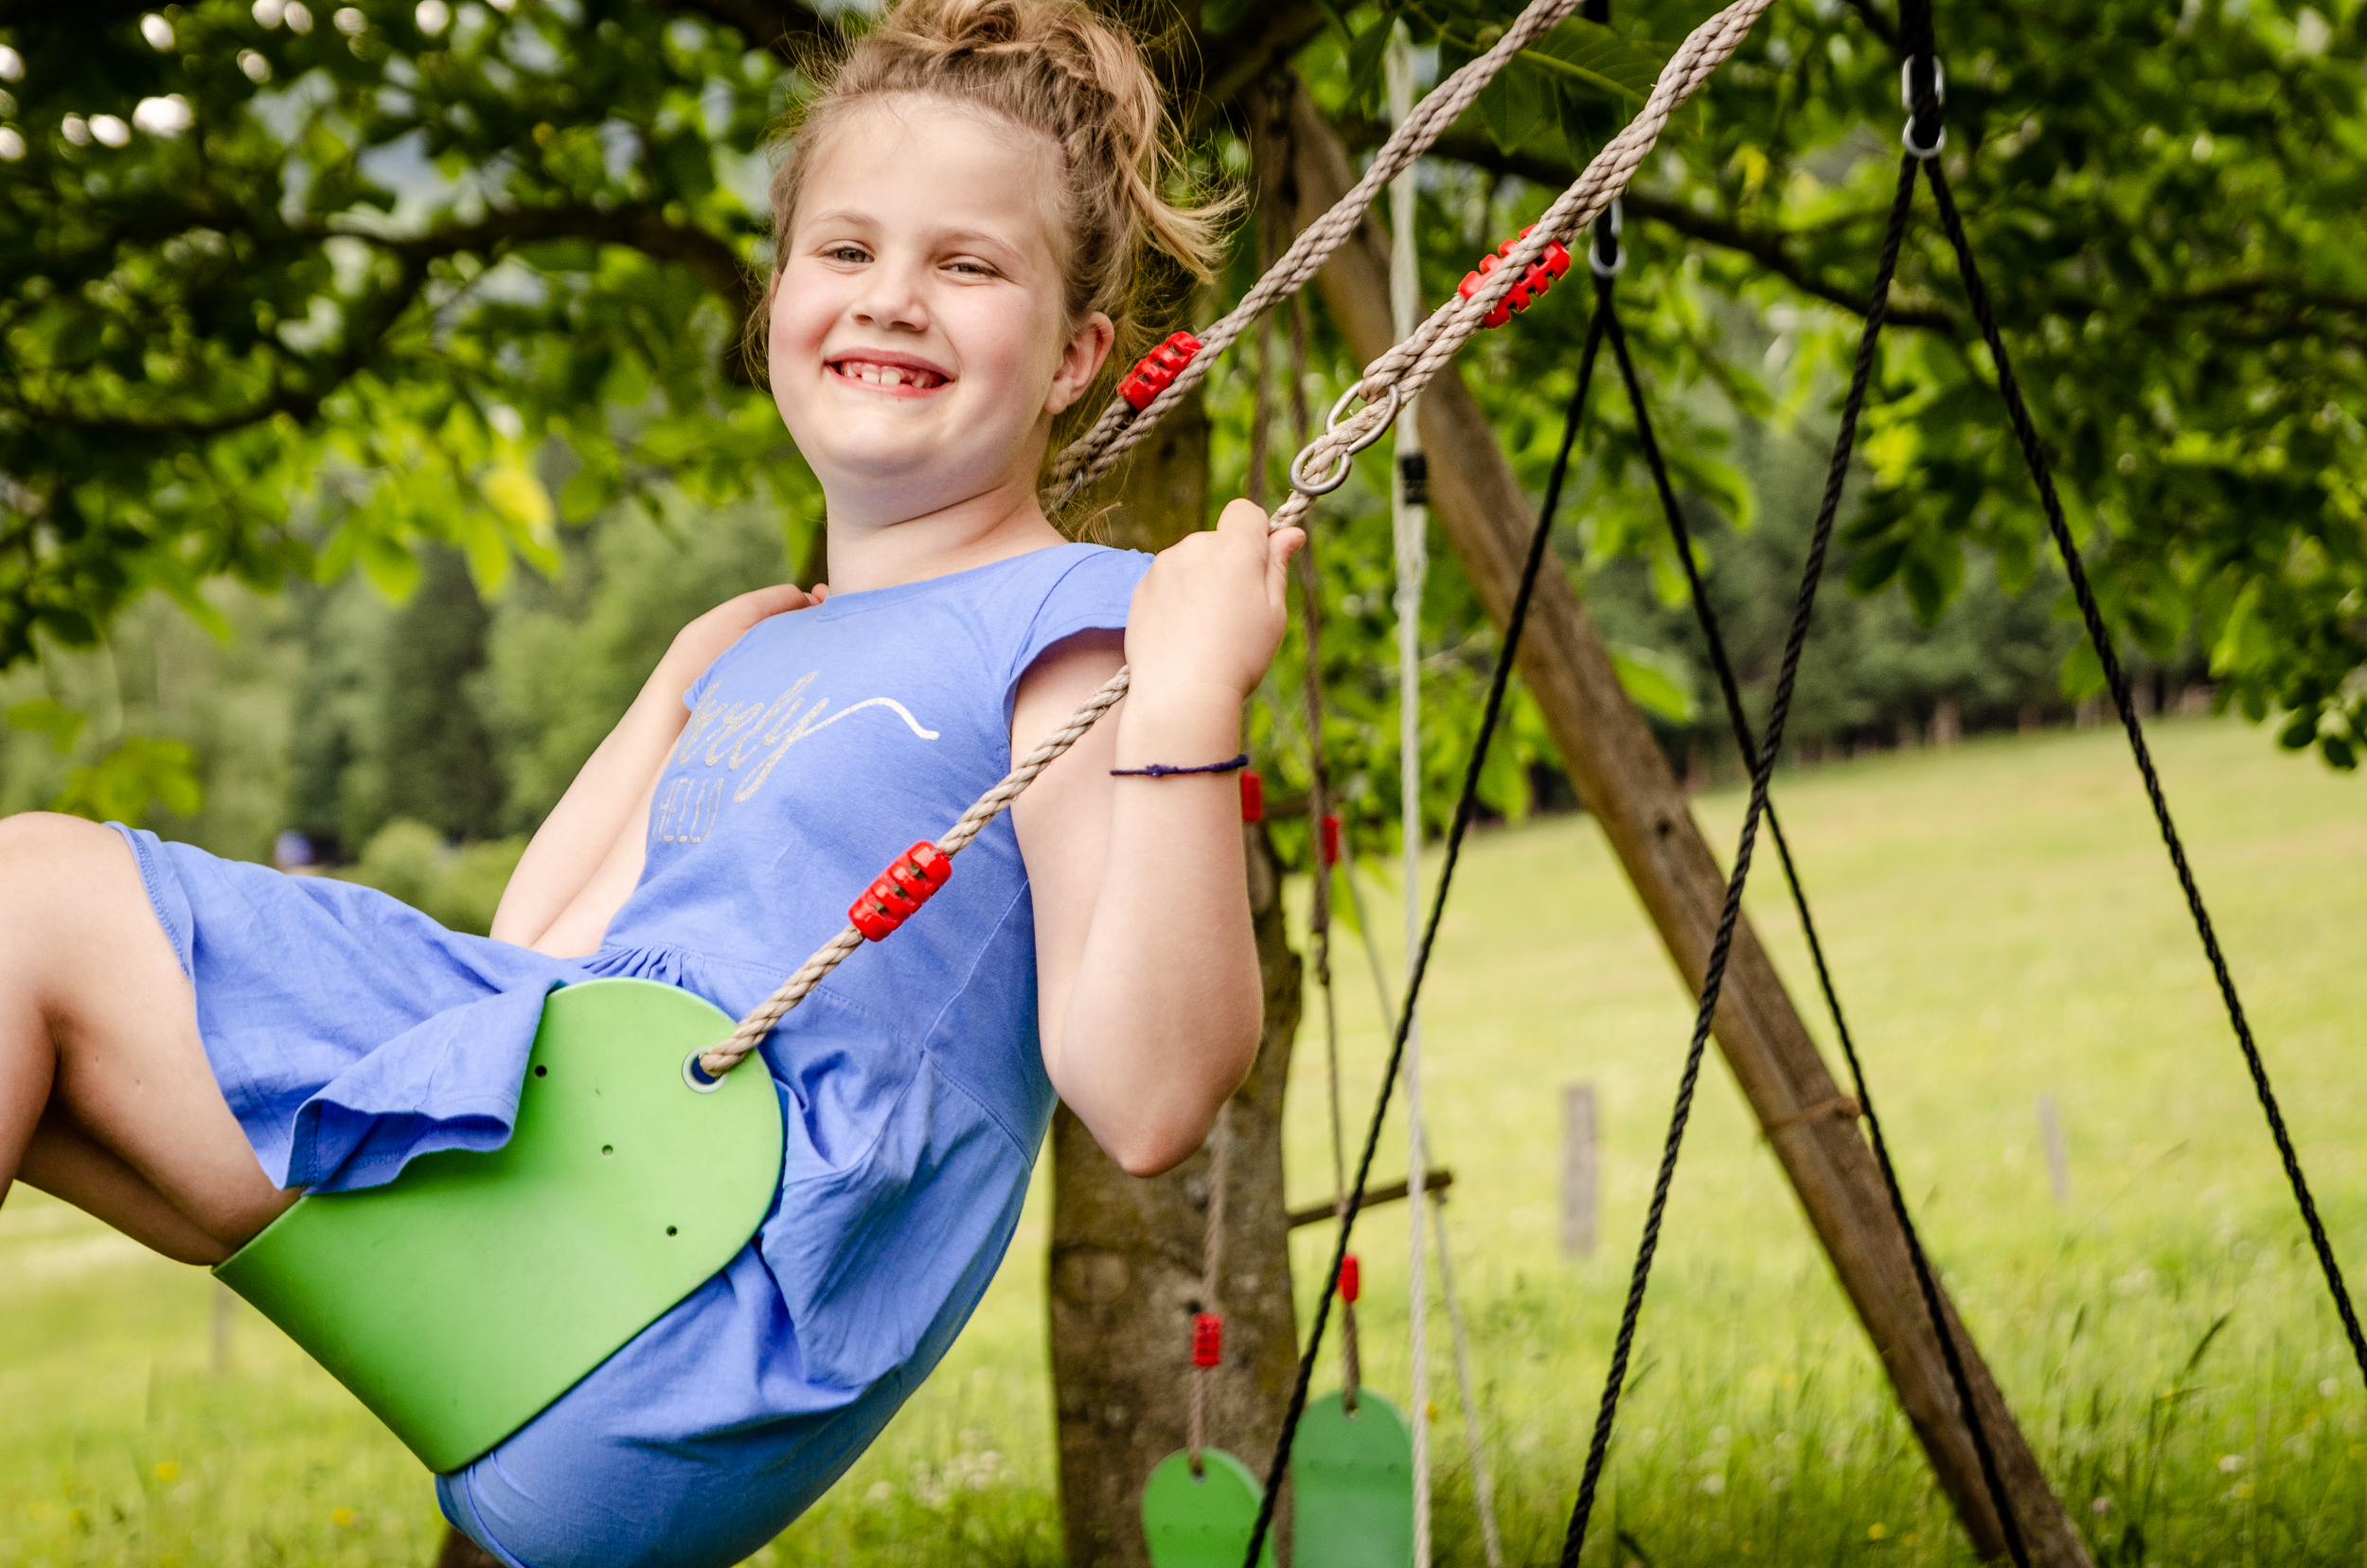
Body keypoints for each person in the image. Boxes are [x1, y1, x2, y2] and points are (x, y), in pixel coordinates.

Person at [0, 1, 1299, 1561]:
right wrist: (676, 688)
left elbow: (1152, 1098)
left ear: (1080, 357)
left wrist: (1199, 690)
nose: (893, 298)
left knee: (28, 896)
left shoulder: (1072, 630)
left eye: (968, 264)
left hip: (701, 1286)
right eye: (844, 250)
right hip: (582, 1224)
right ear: (774, 304)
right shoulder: (763, 645)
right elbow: (540, 960)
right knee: (40, 1008)